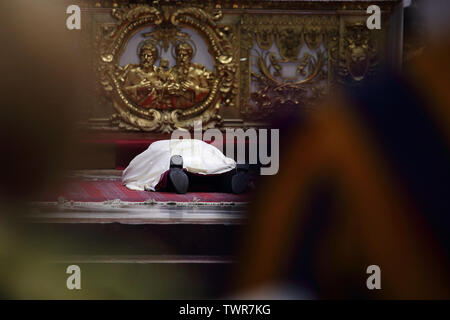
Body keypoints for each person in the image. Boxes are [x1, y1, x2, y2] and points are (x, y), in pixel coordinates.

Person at [122, 139, 250, 194]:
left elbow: (134, 170)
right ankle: (231, 175)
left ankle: (174, 173)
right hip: (206, 154)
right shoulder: (202, 144)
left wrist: (128, 175)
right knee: (219, 172)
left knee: (163, 175)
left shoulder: (159, 146)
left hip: (177, 158)